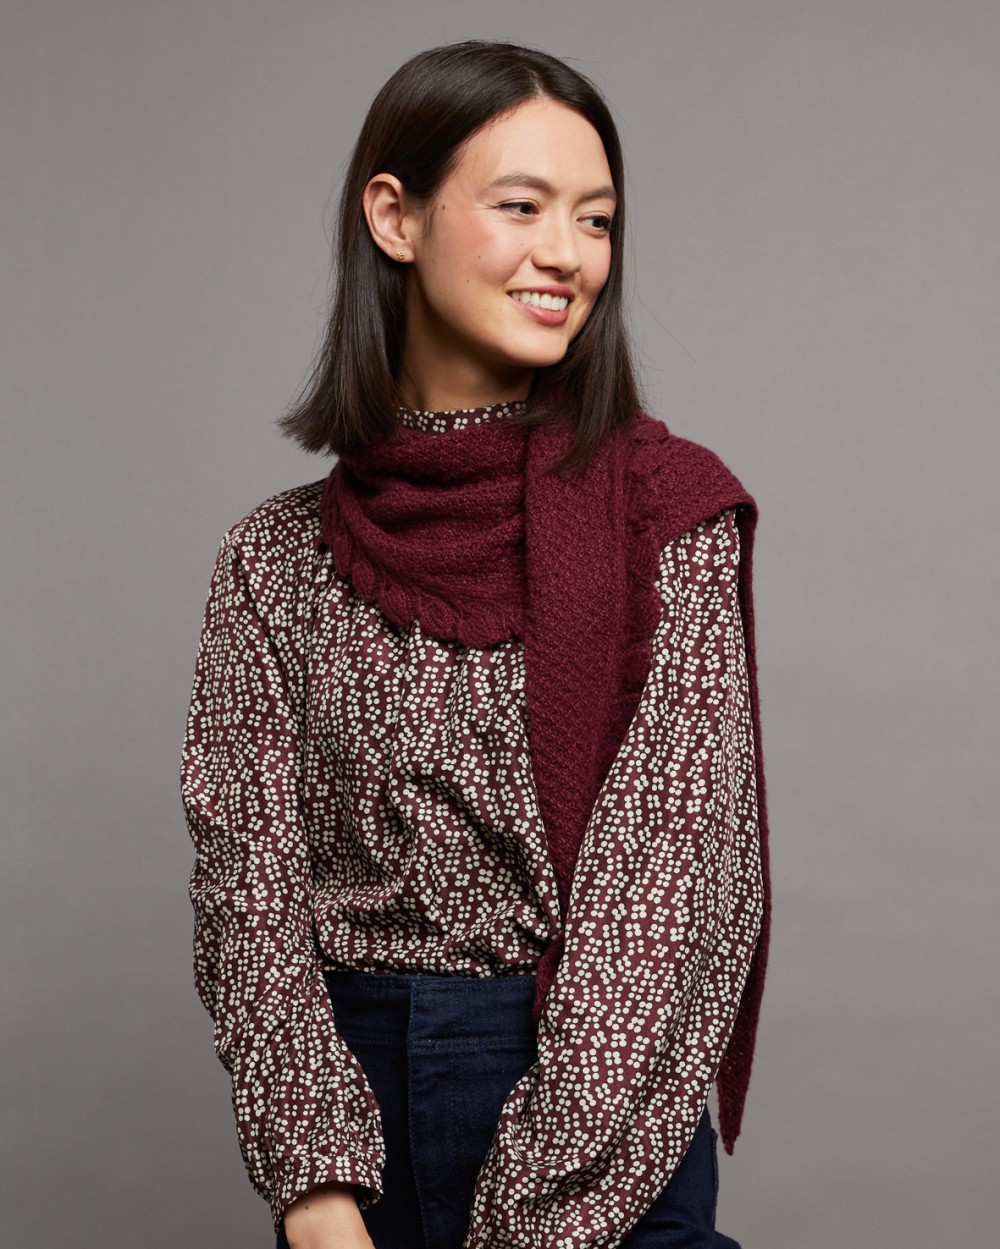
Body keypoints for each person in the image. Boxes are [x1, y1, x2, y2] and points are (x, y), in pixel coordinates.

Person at [180, 39, 771, 1249]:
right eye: (521, 206)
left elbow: (669, 891)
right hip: (356, 1121)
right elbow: (248, 892)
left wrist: (540, 1206)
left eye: (595, 219)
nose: (568, 254)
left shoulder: (669, 516)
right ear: (394, 217)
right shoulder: (272, 558)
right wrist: (317, 1194)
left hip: (597, 1106)